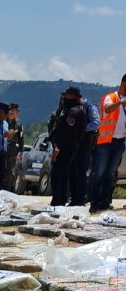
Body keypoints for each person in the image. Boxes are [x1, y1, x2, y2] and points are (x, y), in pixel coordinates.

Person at [90, 75, 126, 214]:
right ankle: (94, 202)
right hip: (106, 141)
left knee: (110, 173)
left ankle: (104, 201)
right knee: (100, 172)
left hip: (120, 141)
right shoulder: (111, 97)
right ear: (123, 84)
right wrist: (120, 103)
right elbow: (107, 109)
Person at [48, 86, 87, 207]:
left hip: (66, 147)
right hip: (69, 146)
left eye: (67, 95)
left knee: (56, 175)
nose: (64, 98)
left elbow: (67, 133)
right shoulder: (72, 110)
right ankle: (61, 201)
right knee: (64, 175)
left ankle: (56, 203)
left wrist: (57, 149)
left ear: (73, 96)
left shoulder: (73, 112)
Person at [70, 93, 99, 206]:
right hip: (74, 144)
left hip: (85, 145)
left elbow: (96, 123)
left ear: (76, 98)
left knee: (81, 173)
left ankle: (80, 200)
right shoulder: (74, 109)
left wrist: (81, 129)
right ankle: (74, 199)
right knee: (72, 172)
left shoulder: (90, 107)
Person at [4, 103, 24, 192]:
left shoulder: (18, 124)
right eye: (16, 111)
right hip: (1, 150)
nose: (17, 113)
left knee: (9, 172)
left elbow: (21, 138)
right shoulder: (3, 121)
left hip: (11, 152)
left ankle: (6, 191)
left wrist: (21, 151)